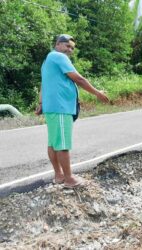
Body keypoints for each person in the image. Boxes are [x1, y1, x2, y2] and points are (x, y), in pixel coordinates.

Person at [35, 34, 109, 188]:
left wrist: (41, 102)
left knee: (53, 142)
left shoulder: (47, 60)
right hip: (60, 107)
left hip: (52, 107)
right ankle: (69, 179)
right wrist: (97, 93)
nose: (70, 50)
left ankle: (59, 175)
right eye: (67, 46)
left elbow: (43, 83)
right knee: (62, 144)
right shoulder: (59, 57)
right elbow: (78, 79)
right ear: (58, 44)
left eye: (72, 48)